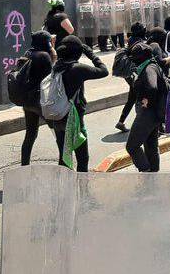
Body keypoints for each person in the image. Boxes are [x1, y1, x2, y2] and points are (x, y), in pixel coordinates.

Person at [52, 36, 109, 172]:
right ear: (77, 52)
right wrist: (90, 54)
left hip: (57, 118)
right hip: (74, 120)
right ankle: (82, 190)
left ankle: (65, 187)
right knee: (82, 160)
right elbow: (104, 71)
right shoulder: (77, 69)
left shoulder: (56, 67)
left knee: (64, 157)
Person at [126, 42, 166, 172]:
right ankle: (153, 174)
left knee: (132, 146)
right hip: (154, 114)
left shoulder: (149, 68)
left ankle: (146, 170)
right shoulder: (149, 66)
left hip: (148, 114)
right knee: (150, 144)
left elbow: (152, 87)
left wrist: (147, 101)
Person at [21, 31, 56, 166]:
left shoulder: (28, 53)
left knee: (30, 135)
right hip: (40, 101)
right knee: (58, 132)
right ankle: (65, 164)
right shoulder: (44, 56)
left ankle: (24, 166)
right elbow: (50, 79)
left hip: (27, 102)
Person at [115, 22, 148, 133]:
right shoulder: (139, 42)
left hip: (130, 73)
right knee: (141, 97)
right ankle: (142, 124)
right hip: (135, 73)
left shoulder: (132, 39)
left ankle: (121, 122)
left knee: (132, 98)